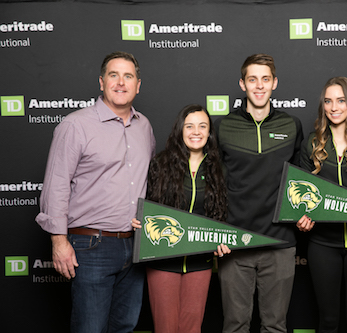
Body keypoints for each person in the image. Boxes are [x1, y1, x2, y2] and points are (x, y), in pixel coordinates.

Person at [35, 51, 156, 333]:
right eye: (114, 75)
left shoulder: (145, 126)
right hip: (91, 247)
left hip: (135, 245)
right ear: (101, 82)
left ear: (138, 85)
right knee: (90, 327)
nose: (121, 82)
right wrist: (58, 241)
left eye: (128, 76)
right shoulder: (76, 125)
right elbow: (57, 184)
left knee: (125, 325)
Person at [215, 53, 304, 333]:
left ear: (274, 83)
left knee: (275, 326)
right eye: (252, 79)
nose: (259, 86)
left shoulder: (292, 125)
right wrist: (215, 232)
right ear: (242, 84)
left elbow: (302, 182)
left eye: (265, 79)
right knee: (235, 326)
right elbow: (215, 184)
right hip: (235, 244)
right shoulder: (223, 126)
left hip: (280, 242)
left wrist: (306, 214)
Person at [132, 104, 231, 333]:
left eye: (202, 126)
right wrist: (139, 220)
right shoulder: (161, 163)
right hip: (163, 260)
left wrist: (223, 238)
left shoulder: (218, 169)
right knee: (166, 328)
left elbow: (221, 214)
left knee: (191, 328)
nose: (196, 131)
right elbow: (148, 209)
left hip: (200, 262)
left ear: (209, 133)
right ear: (180, 130)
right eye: (190, 126)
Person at [297, 77, 347, 333]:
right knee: (328, 321)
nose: (334, 107)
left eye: (341, 100)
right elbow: (299, 194)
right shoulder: (311, 143)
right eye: (328, 101)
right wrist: (301, 217)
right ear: (323, 105)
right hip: (323, 244)